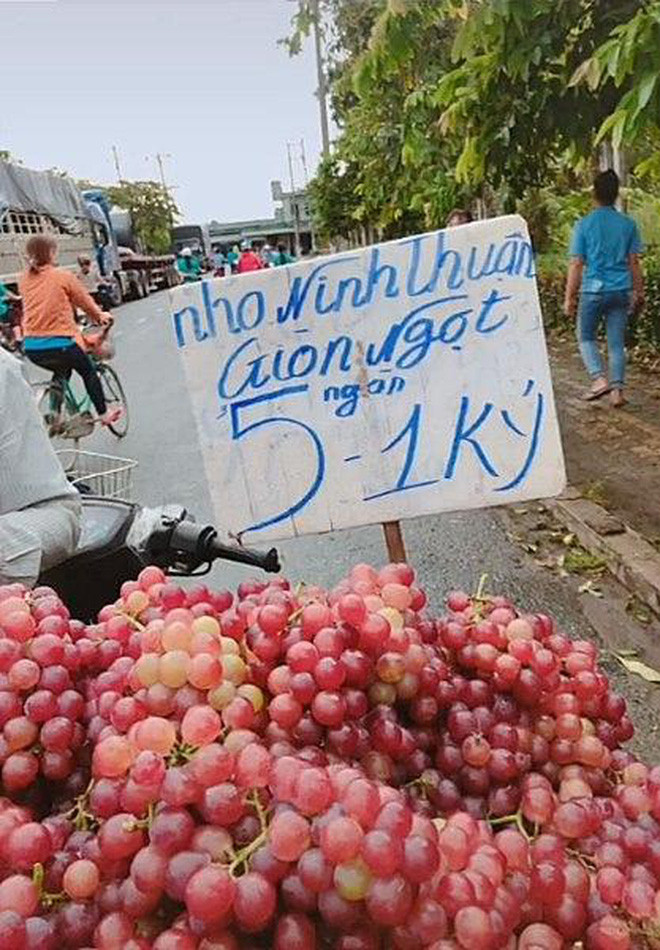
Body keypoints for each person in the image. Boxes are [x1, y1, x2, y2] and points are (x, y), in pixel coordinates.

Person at [0, 346, 81, 586]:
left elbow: (60, 516)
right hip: (50, 345)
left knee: (84, 368)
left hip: (40, 347)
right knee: (83, 367)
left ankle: (97, 410)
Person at [19, 235, 121, 427]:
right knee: (88, 371)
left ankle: (55, 413)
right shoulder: (63, 276)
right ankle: (104, 413)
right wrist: (101, 316)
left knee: (62, 370)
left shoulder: (24, 279)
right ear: (51, 253)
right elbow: (85, 302)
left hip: (31, 347)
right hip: (60, 344)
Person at [564, 169, 645, 408]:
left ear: (594, 194)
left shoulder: (584, 225)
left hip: (593, 289)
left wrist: (569, 297)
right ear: (616, 194)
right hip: (620, 290)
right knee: (616, 343)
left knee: (585, 336)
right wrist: (639, 292)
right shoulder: (628, 225)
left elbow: (576, 263)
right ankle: (617, 393)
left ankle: (599, 379)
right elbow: (634, 262)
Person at [0, 279, 21, 348]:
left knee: (2, 326)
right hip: (3, 310)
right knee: (15, 323)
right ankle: (18, 339)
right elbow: (7, 293)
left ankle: (3, 340)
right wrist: (17, 298)